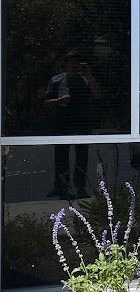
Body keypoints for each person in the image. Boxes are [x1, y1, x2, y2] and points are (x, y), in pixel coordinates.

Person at [44, 49, 100, 198]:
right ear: (66, 65)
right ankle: (61, 186)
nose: (74, 66)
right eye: (71, 63)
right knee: (61, 155)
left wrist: (89, 75)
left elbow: (97, 95)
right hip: (63, 122)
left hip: (83, 122)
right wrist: (58, 101)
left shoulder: (86, 80)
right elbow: (46, 101)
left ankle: (80, 187)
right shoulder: (56, 80)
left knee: (82, 156)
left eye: (77, 63)